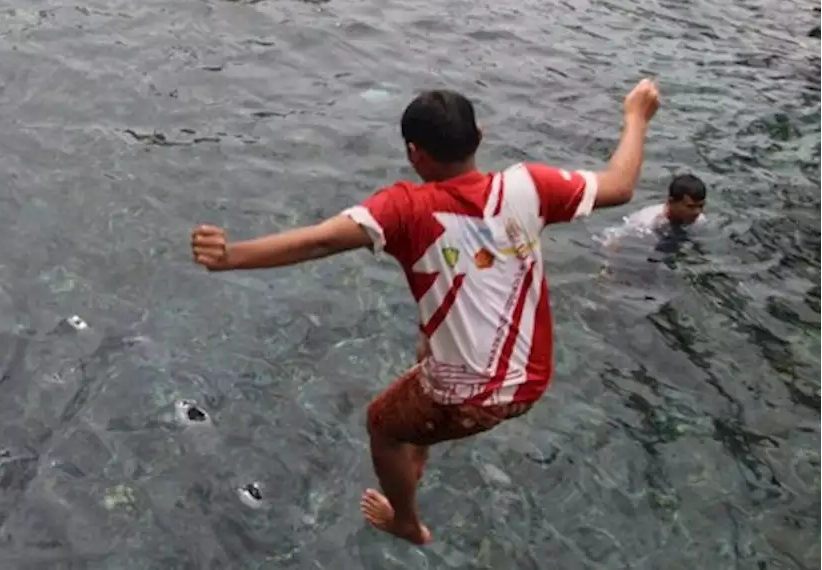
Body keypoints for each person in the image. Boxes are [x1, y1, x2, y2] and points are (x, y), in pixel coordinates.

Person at [190, 79, 662, 544]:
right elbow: (620, 186)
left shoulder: (405, 208)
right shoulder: (531, 187)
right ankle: (418, 453)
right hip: (531, 379)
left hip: (470, 397)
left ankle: (407, 523)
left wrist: (233, 256)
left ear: (414, 153)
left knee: (381, 424)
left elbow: (321, 239)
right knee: (426, 350)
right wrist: (635, 117)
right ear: (480, 138)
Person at [620, 174, 707, 232]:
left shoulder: (700, 221)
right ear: (671, 202)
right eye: (690, 206)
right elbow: (615, 237)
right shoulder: (645, 222)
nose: (697, 212)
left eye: (701, 206)